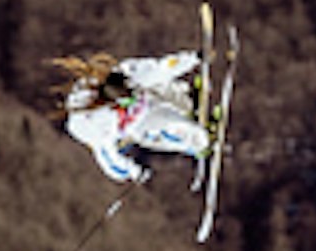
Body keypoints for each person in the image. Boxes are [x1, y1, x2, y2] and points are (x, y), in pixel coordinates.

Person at [56, 50, 212, 185]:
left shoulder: (129, 73)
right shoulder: (98, 123)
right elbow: (110, 161)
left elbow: (162, 68)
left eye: (129, 92)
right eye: (126, 99)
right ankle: (196, 143)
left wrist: (193, 58)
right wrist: (133, 171)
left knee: (158, 85)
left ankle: (188, 104)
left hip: (147, 104)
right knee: (162, 126)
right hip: (137, 124)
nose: (130, 96)